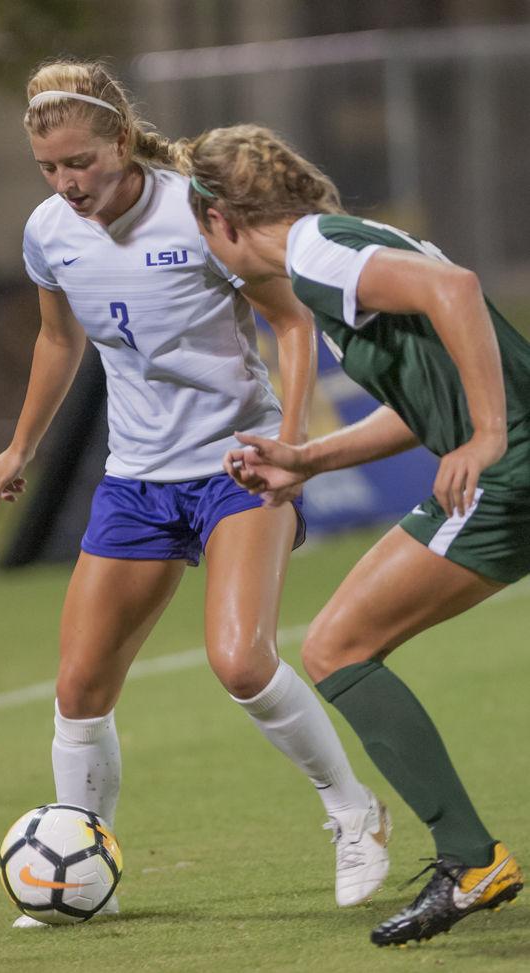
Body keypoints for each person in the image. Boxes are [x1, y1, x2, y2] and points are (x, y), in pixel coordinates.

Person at [0, 62, 391, 927]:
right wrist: (21, 444)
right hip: (134, 480)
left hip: (236, 468)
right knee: (80, 686)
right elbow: (60, 341)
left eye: (81, 162)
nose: (67, 183)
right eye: (50, 169)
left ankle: (354, 810)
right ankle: (75, 871)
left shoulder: (196, 211)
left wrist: (295, 442)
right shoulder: (49, 231)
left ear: (121, 141)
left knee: (242, 661)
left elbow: (289, 319)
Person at [178, 122, 527, 947]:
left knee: (336, 645)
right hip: (512, 460)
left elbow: (460, 290)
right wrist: (307, 457)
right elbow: (413, 404)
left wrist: (484, 435)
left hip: (510, 467)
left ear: (221, 219)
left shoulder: (316, 254)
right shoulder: (338, 257)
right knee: (337, 643)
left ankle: (471, 859)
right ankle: (470, 857)